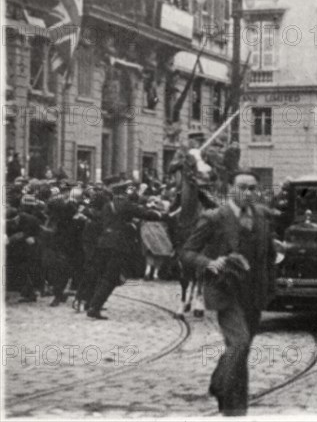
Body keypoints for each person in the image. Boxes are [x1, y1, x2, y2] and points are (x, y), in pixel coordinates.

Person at [182, 169, 277, 416]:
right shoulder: (215, 217)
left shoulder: (262, 218)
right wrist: (208, 263)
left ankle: (235, 409)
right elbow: (188, 252)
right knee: (239, 342)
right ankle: (218, 383)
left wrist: (271, 288)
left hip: (254, 293)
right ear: (230, 189)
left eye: (252, 188)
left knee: (242, 350)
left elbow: (269, 257)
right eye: (243, 187)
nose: (248, 193)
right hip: (226, 291)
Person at [87, 181, 163, 320]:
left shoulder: (107, 206)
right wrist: (160, 214)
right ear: (124, 193)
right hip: (118, 244)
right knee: (111, 277)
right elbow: (145, 214)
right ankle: (95, 307)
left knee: (102, 274)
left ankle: (91, 303)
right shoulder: (126, 205)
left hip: (104, 242)